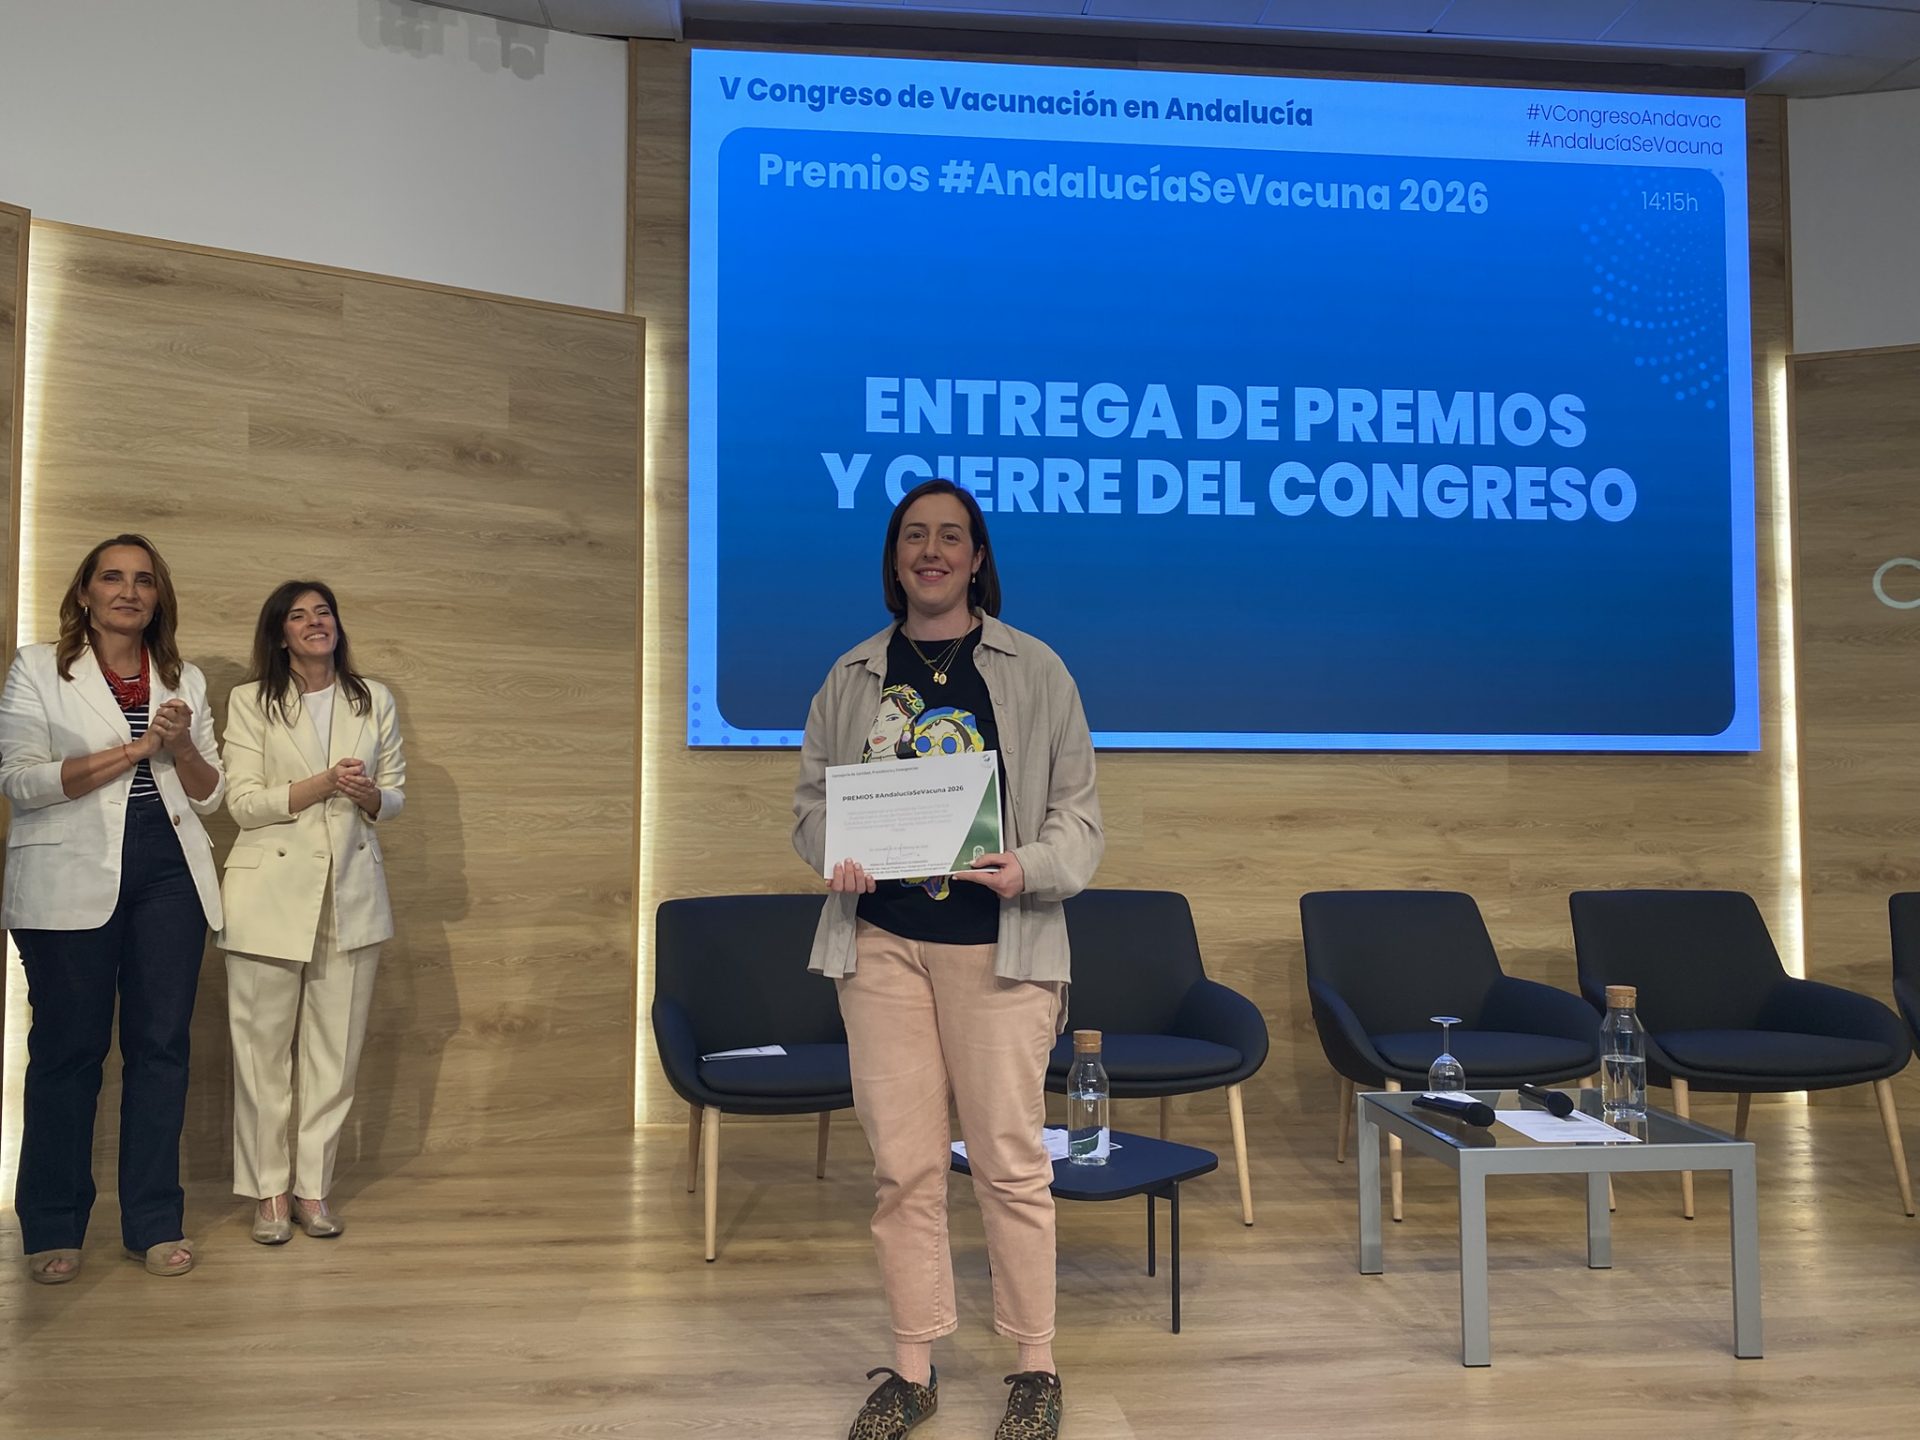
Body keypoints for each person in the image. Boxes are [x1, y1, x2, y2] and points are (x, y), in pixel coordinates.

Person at [793, 478, 1103, 1440]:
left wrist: (1030, 866)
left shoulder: (1036, 669)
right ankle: (914, 1368)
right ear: (895, 559)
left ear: (976, 559)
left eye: (951, 537)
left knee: (1010, 1163)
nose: (931, 551)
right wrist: (834, 851)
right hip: (881, 946)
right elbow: (810, 808)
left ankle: (1034, 1367)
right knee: (904, 1169)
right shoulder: (852, 675)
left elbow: (1080, 819)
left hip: (1000, 950)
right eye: (914, 536)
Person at [0, 534, 225, 1282]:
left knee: (161, 1048)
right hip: (66, 873)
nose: (129, 591)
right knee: (69, 1051)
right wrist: (134, 750)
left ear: (159, 598)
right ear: (86, 592)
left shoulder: (184, 678)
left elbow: (210, 793)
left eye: (144, 580)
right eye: (112, 577)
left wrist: (181, 746)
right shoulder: (39, 667)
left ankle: (154, 1220)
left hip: (170, 872)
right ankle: (52, 1223)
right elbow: (20, 780)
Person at [217, 581, 405, 1244]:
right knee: (261, 1055)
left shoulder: (372, 697)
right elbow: (241, 804)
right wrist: (321, 785)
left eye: (323, 612)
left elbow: (395, 797)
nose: (314, 622)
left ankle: (312, 1189)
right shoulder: (251, 701)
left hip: (350, 896)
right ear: (280, 634)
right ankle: (268, 1192)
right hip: (268, 895)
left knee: (335, 1054)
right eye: (298, 616)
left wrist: (368, 793)